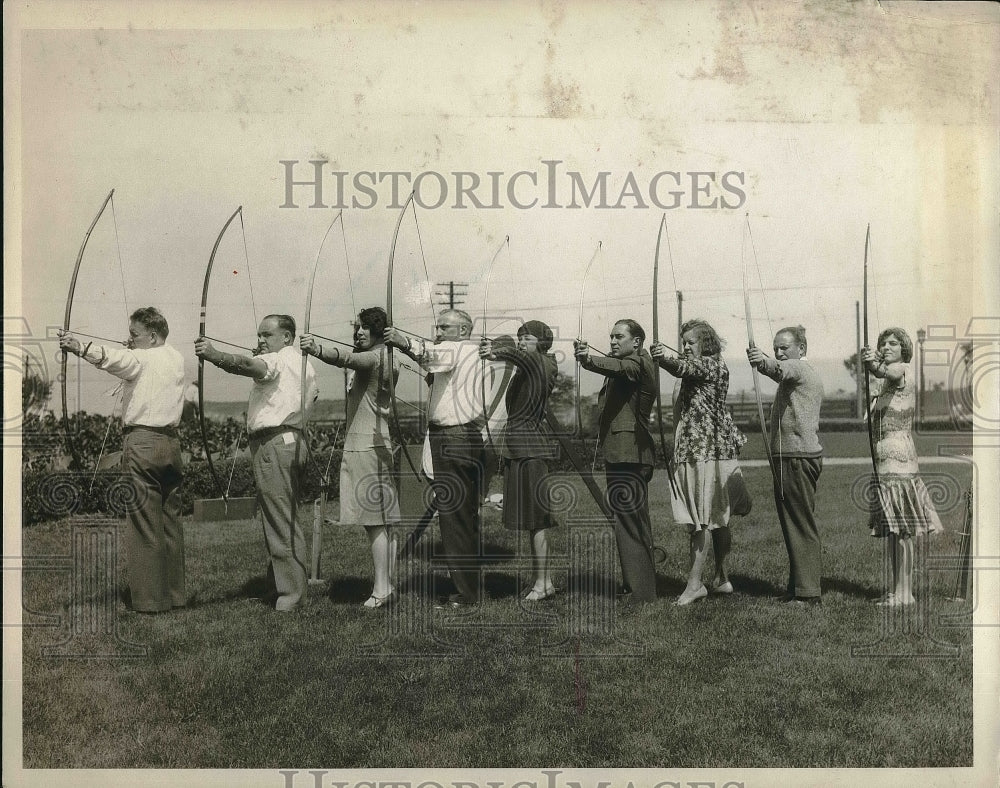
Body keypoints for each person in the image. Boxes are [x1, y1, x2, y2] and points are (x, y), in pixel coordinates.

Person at [59, 307, 186, 613]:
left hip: (142, 442)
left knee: (143, 522)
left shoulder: (142, 358)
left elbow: (117, 360)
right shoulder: (176, 358)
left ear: (152, 336)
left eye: (134, 335)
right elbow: (133, 361)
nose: (130, 340)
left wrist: (79, 347)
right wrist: (133, 347)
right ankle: (175, 597)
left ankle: (149, 602)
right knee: (170, 521)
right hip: (171, 445)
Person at [195, 314, 318, 612]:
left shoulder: (278, 360)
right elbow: (311, 396)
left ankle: (291, 596)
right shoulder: (303, 363)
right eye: (259, 335)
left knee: (280, 519)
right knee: (283, 516)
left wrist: (214, 356)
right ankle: (280, 586)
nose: (261, 340)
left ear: (287, 337)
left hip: (274, 443)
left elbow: (252, 365)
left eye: (267, 335)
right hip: (293, 440)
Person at [300, 307, 401, 609]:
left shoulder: (373, 358)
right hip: (380, 444)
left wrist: (315, 348)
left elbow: (347, 358)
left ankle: (381, 589)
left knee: (374, 521)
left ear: (380, 331)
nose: (359, 332)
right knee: (386, 519)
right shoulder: (389, 359)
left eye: (366, 327)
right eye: (358, 327)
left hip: (364, 446)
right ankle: (387, 584)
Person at [385, 309, 486, 607]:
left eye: (445, 327)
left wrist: (403, 341)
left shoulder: (457, 349)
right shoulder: (465, 351)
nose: (439, 331)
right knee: (462, 515)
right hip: (462, 438)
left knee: (454, 516)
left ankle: (465, 593)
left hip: (453, 437)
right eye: (438, 326)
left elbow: (430, 356)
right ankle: (470, 588)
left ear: (464, 330)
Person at [651, 319, 749, 605]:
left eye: (690, 342)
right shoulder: (701, 367)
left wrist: (663, 357)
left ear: (705, 343)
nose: (685, 347)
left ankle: (694, 585)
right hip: (704, 448)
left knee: (702, 518)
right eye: (683, 343)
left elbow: (683, 367)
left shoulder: (711, 365)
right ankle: (721, 578)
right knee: (714, 515)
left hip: (705, 450)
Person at [575, 319, 658, 605]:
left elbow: (624, 368)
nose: (612, 341)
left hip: (630, 454)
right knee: (629, 520)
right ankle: (638, 586)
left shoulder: (638, 364)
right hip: (625, 453)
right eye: (610, 336)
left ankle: (640, 592)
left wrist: (588, 359)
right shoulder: (629, 364)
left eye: (618, 336)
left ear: (636, 342)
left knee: (630, 520)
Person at [862, 327, 944, 606]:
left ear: (904, 349)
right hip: (884, 460)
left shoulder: (902, 372)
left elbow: (888, 372)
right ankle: (897, 590)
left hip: (899, 460)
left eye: (893, 344)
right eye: (883, 343)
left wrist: (873, 364)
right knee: (894, 530)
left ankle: (905, 593)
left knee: (903, 529)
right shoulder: (885, 384)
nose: (886, 347)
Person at [480, 320, 559, 601]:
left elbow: (522, 355)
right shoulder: (528, 365)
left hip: (531, 449)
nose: (522, 341)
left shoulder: (544, 363)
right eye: (519, 337)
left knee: (538, 519)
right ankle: (542, 580)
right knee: (529, 519)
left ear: (541, 341)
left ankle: (544, 582)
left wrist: (497, 349)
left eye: (527, 337)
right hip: (520, 448)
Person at [746, 325, 825, 605]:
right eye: (776, 348)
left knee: (800, 523)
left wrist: (763, 361)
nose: (780, 352)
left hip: (796, 458)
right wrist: (765, 361)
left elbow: (779, 369)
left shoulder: (798, 369)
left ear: (801, 349)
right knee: (794, 523)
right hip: (792, 457)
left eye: (784, 348)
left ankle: (807, 592)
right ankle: (798, 587)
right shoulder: (797, 373)